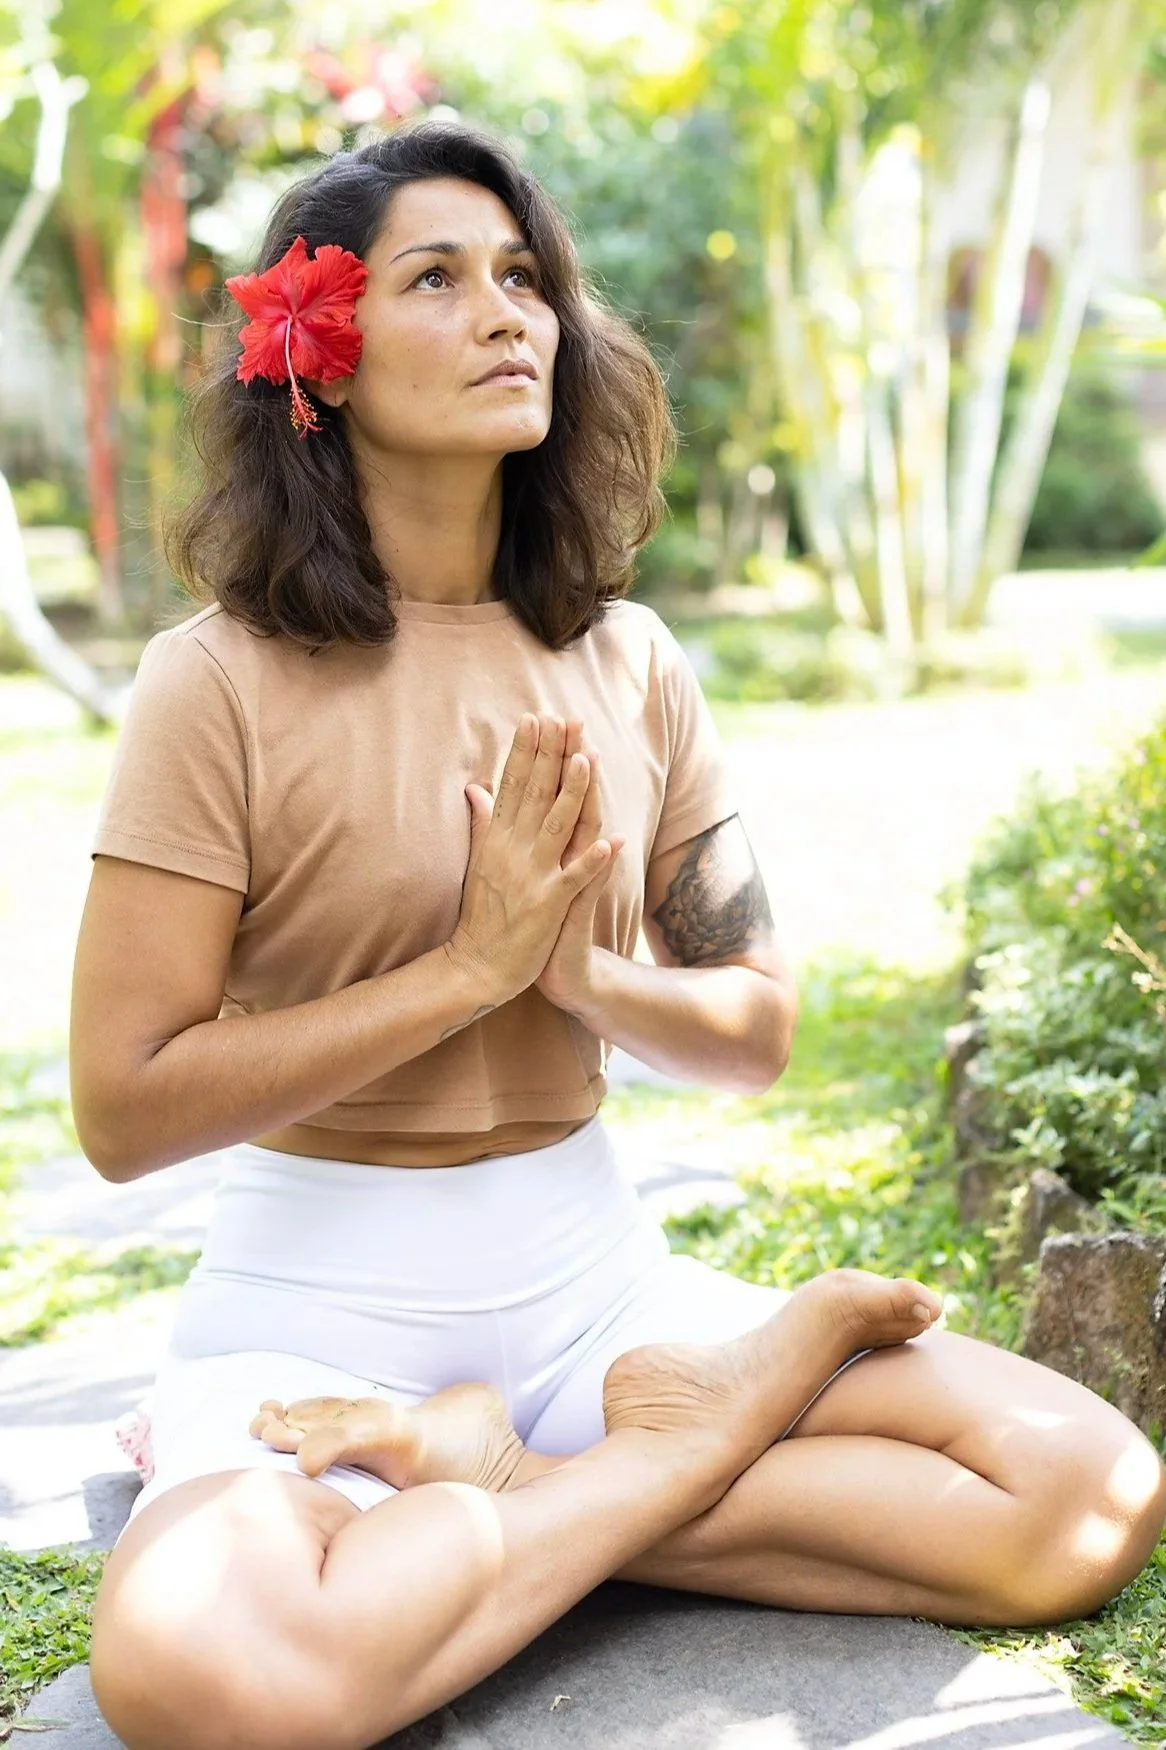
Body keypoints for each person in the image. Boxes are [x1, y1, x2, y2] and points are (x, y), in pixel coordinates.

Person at [70, 121, 1165, 1750]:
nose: (508, 311)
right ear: (324, 353)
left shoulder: (628, 656)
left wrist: (579, 974)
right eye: (436, 278)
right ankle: (638, 1469)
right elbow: (124, 1105)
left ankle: (503, 1482)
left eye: (524, 276)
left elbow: (756, 1022)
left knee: (1083, 1496)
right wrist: (465, 973)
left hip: (599, 1295)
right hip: (317, 1310)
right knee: (200, 1679)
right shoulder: (216, 682)